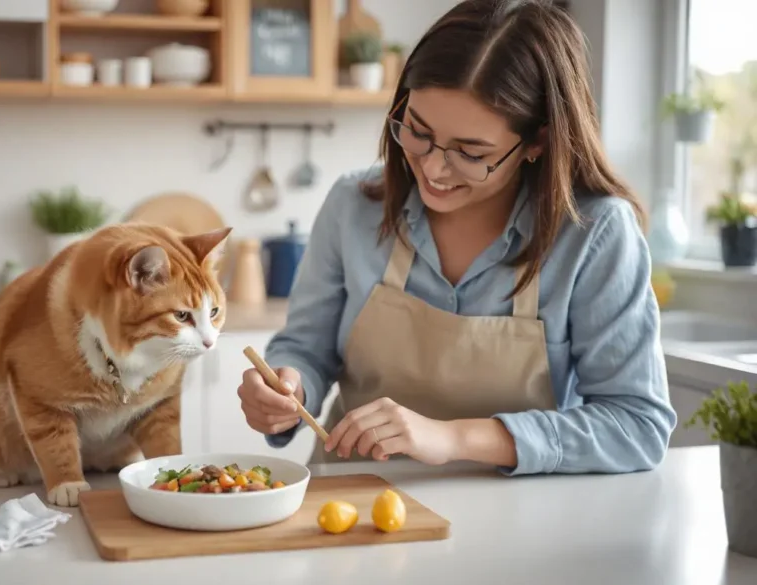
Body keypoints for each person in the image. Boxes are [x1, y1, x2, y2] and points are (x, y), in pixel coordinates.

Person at [236, 0, 676, 476]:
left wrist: (453, 437)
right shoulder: (352, 205)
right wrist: (287, 388)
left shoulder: (595, 233)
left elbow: (637, 425)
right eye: (417, 131)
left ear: (538, 141)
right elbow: (305, 347)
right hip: (351, 506)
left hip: (521, 527)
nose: (432, 167)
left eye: (470, 152)